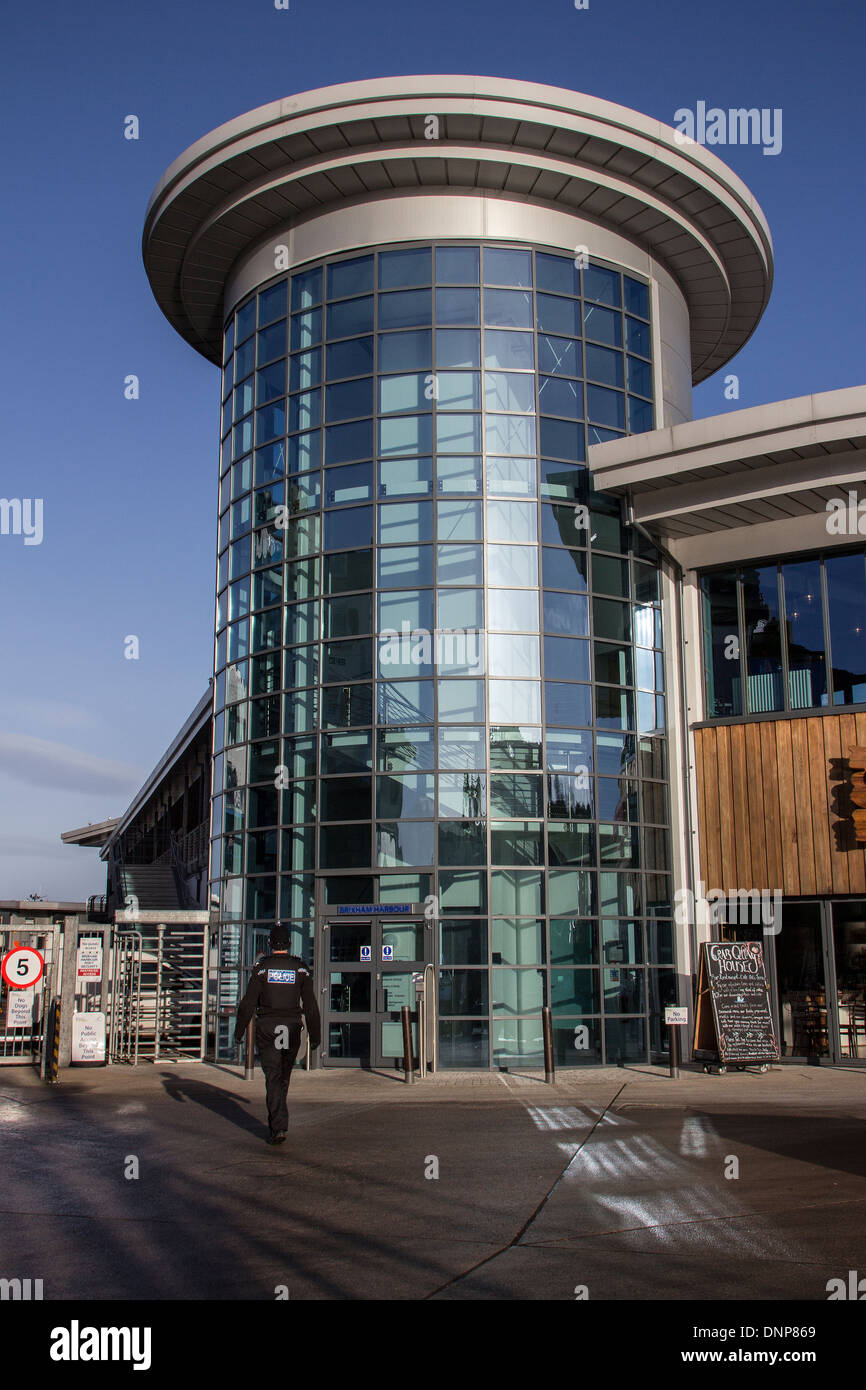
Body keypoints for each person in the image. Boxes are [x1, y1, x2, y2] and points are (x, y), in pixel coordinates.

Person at [234, 923, 321, 1144]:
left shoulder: (262, 969)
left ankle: (278, 1126)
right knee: (283, 1076)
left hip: (268, 1028)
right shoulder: (300, 969)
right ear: (289, 943)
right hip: (291, 1028)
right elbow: (310, 1005)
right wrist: (315, 1034)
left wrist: (239, 1031)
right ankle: (279, 1120)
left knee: (273, 1076)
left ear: (271, 944)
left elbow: (248, 1004)